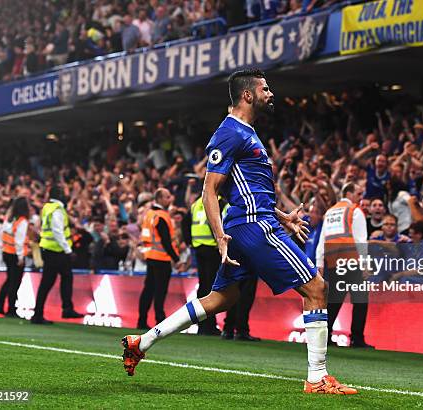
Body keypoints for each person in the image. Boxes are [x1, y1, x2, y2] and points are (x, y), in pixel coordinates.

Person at [121, 69, 357, 395]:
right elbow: (210, 189)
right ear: (248, 95)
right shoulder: (230, 133)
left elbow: (242, 189)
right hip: (254, 226)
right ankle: (317, 378)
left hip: (253, 221)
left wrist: (283, 216)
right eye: (265, 88)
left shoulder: (246, 132)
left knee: (222, 298)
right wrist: (220, 238)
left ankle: (142, 341)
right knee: (316, 288)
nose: (270, 93)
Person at [316, 182, 371, 348]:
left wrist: (319, 262)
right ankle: (356, 338)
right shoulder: (355, 210)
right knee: (360, 300)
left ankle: (325, 336)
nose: (360, 198)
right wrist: (365, 264)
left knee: (333, 300)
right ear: (349, 193)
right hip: (352, 260)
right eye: (358, 194)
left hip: (333, 261)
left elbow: (322, 238)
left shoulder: (331, 211)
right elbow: (361, 240)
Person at [32, 186, 83, 324]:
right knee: (55, 280)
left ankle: (63, 308)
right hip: (56, 250)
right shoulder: (57, 210)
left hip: (49, 249)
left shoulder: (47, 207)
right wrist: (68, 250)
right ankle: (49, 312)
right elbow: (57, 231)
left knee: (60, 278)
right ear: (60, 195)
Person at [137, 188, 179, 329]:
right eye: (167, 197)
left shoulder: (149, 214)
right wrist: (176, 258)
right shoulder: (161, 216)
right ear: (160, 199)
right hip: (161, 258)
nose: (170, 199)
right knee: (160, 291)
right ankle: (160, 320)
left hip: (150, 256)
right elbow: (166, 241)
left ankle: (141, 320)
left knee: (148, 289)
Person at [190, 195, 221, 336]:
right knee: (211, 289)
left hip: (199, 248)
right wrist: (218, 240)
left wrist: (191, 242)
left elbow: (186, 223)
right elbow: (217, 222)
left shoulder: (196, 203)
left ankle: (202, 325)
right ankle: (210, 325)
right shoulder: (219, 201)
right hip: (212, 249)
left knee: (203, 287)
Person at [0, 197, 29, 318]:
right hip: (15, 254)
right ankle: (11, 309)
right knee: (15, 282)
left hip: (6, 252)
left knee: (9, 280)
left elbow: (2, 234)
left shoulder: (9, 219)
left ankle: (0, 305)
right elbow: (19, 241)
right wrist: (21, 257)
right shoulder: (22, 221)